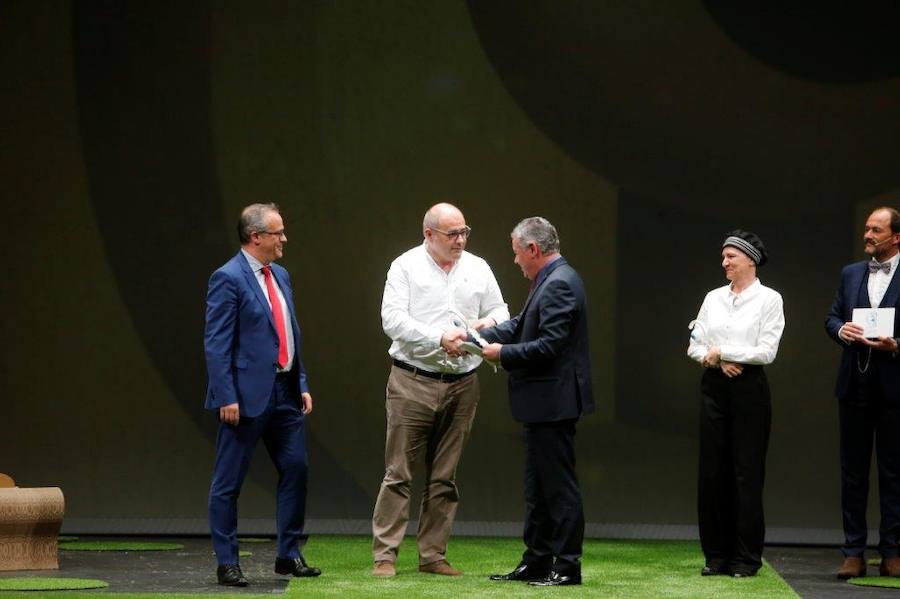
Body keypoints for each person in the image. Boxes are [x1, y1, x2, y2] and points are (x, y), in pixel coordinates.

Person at [372, 202, 509, 578]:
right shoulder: (405, 266)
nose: (461, 240)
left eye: (465, 232)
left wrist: (489, 323)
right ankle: (385, 555)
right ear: (428, 234)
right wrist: (438, 336)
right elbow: (393, 319)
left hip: (463, 382)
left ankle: (432, 554)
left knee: (444, 476)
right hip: (412, 380)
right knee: (398, 472)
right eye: (453, 234)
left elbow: (502, 310)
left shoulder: (478, 267)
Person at [205, 203, 320, 587]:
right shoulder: (228, 278)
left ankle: (288, 554)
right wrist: (226, 396)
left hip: (285, 393)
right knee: (228, 482)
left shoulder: (281, 275)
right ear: (256, 237)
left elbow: (289, 332)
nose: (284, 238)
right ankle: (227, 562)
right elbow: (217, 343)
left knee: (296, 469)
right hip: (245, 397)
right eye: (278, 232)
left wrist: (300, 382)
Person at [480, 216, 594, 587]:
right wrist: (476, 335)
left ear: (533, 249)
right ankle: (537, 560)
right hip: (542, 403)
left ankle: (567, 565)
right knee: (537, 488)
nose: (515, 261)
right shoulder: (549, 280)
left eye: (516, 253)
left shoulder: (559, 282)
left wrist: (503, 354)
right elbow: (521, 324)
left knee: (558, 487)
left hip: (554, 402)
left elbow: (550, 345)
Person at [686, 229, 785, 578]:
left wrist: (723, 351)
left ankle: (746, 557)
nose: (724, 262)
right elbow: (695, 345)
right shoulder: (713, 297)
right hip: (714, 386)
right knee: (712, 472)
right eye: (724, 256)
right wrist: (715, 359)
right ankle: (716, 554)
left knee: (746, 472)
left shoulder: (770, 299)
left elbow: (766, 351)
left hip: (749, 389)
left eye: (731, 256)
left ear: (750, 261)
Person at [825, 206, 900, 579]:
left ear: (896, 237)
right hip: (854, 386)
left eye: (876, 229)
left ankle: (892, 553)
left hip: (894, 389)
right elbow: (832, 317)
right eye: (867, 229)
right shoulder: (851, 273)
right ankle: (853, 552)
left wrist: (896, 344)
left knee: (894, 473)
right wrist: (842, 331)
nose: (867, 235)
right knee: (852, 473)